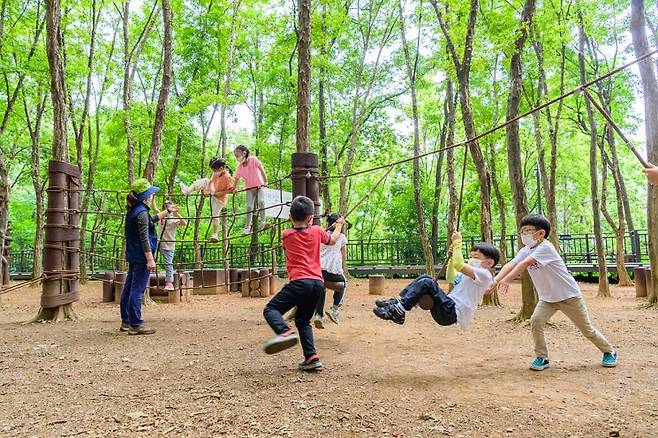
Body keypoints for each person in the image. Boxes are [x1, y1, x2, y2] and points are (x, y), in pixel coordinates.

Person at [490, 214, 618, 371]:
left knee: (587, 330)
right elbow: (512, 263)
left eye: (527, 230)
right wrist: (495, 281)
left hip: (569, 296)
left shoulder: (545, 247)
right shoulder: (526, 250)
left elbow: (525, 263)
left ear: (541, 233)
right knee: (536, 321)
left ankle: (609, 351)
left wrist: (507, 280)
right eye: (521, 231)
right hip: (547, 299)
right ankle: (542, 357)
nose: (523, 234)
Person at [262, 196, 344, 371]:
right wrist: (338, 226)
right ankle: (311, 358)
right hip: (317, 284)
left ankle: (284, 332)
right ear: (311, 218)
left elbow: (299, 234)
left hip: (300, 282)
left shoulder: (286, 235)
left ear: (290, 217)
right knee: (302, 320)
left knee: (271, 310)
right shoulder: (316, 231)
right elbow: (333, 239)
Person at [373, 232, 498, 331]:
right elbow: (450, 277)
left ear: (489, 263)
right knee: (426, 278)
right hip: (446, 309)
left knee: (427, 283)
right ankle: (397, 303)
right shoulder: (470, 275)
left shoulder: (485, 275)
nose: (471, 259)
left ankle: (398, 311)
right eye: (470, 256)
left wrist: (457, 243)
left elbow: (459, 264)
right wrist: (451, 258)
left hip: (452, 312)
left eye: (475, 257)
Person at [120, 178, 178, 335]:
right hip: (142, 257)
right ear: (146, 196)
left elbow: (150, 222)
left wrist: (168, 211)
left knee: (128, 288)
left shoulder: (135, 211)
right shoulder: (142, 213)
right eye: (151, 194)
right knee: (137, 290)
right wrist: (150, 259)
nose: (152, 196)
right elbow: (144, 237)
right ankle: (135, 324)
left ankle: (126, 320)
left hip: (133, 255)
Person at [180, 157, 233, 242]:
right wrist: (207, 191)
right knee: (204, 181)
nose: (214, 173)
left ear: (221, 168)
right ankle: (188, 191)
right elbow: (211, 182)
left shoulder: (227, 177)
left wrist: (217, 194)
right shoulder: (215, 174)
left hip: (220, 198)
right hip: (213, 192)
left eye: (215, 170)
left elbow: (230, 190)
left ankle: (215, 234)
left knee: (215, 215)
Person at [314, 213, 348, 328]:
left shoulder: (321, 235)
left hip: (318, 268)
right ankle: (334, 308)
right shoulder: (342, 237)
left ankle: (318, 315)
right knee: (344, 283)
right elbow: (344, 254)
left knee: (321, 287)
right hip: (331, 270)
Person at [232, 145, 269, 235]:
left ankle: (263, 222)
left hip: (259, 186)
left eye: (238, 156)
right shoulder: (240, 167)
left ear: (244, 153)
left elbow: (262, 170)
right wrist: (235, 188)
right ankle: (247, 228)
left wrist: (266, 180)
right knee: (249, 207)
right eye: (236, 156)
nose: (237, 158)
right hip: (249, 188)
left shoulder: (253, 160)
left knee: (261, 202)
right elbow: (236, 178)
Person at [158, 199, 186, 290]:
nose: (167, 207)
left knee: (168, 263)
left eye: (169, 206)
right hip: (158, 242)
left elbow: (184, 223)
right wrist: (153, 197)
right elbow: (154, 208)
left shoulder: (174, 219)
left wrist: (176, 213)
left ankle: (169, 283)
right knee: (150, 259)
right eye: (165, 206)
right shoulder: (161, 216)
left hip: (168, 244)